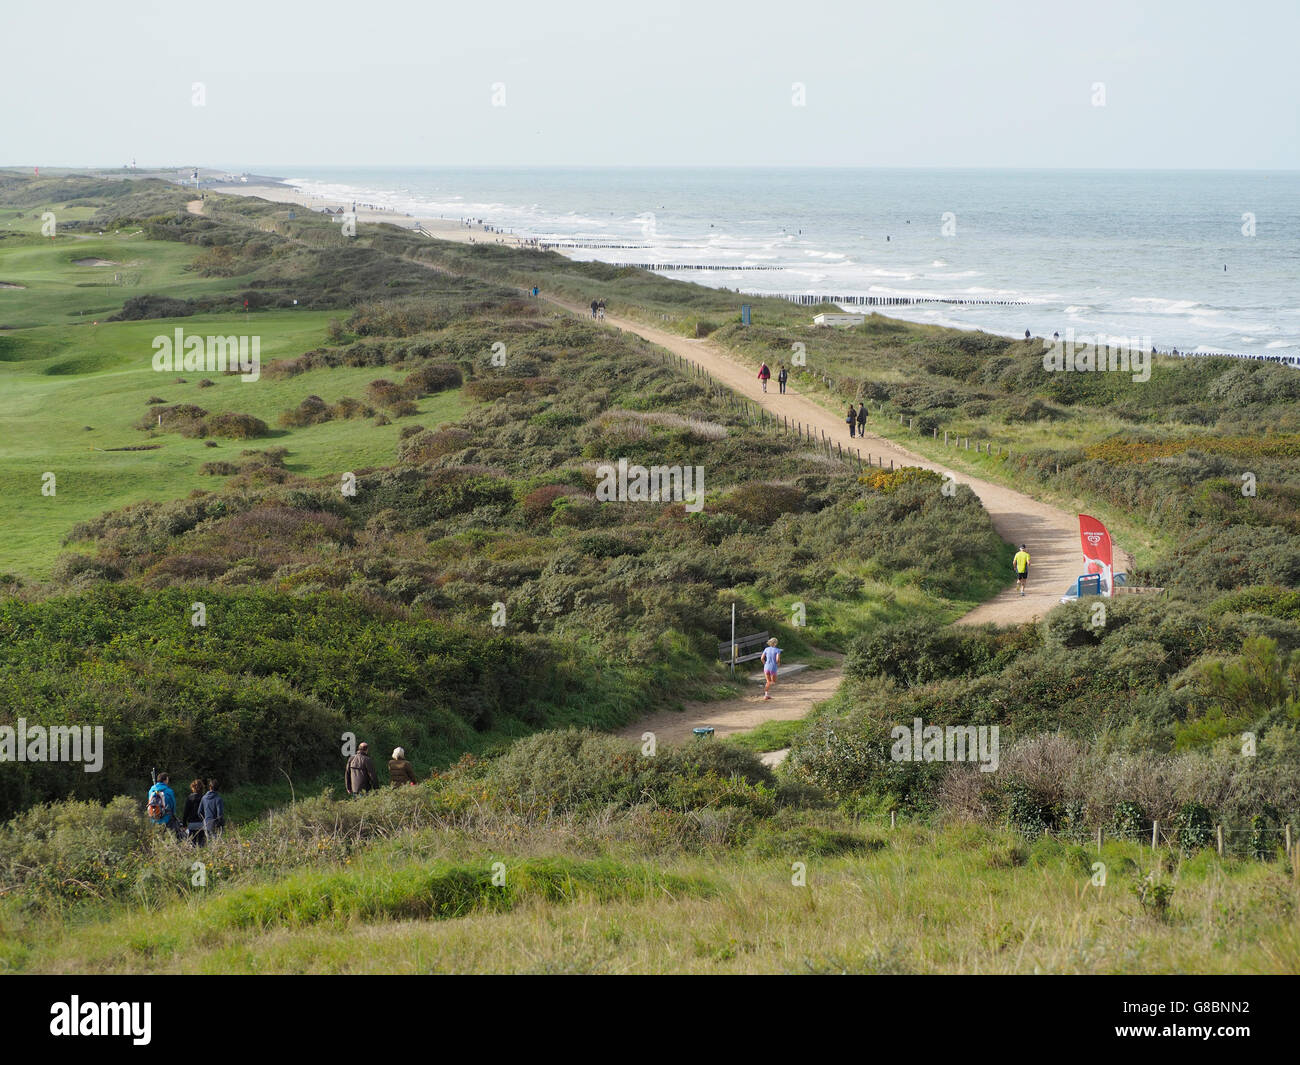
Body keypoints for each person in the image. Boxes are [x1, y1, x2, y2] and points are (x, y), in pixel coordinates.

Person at [182, 779, 206, 846]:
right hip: (201, 823)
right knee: (202, 844)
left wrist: (184, 824)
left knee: (192, 844)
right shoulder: (203, 798)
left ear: (193, 787)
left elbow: (185, 812)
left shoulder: (189, 798)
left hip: (191, 824)